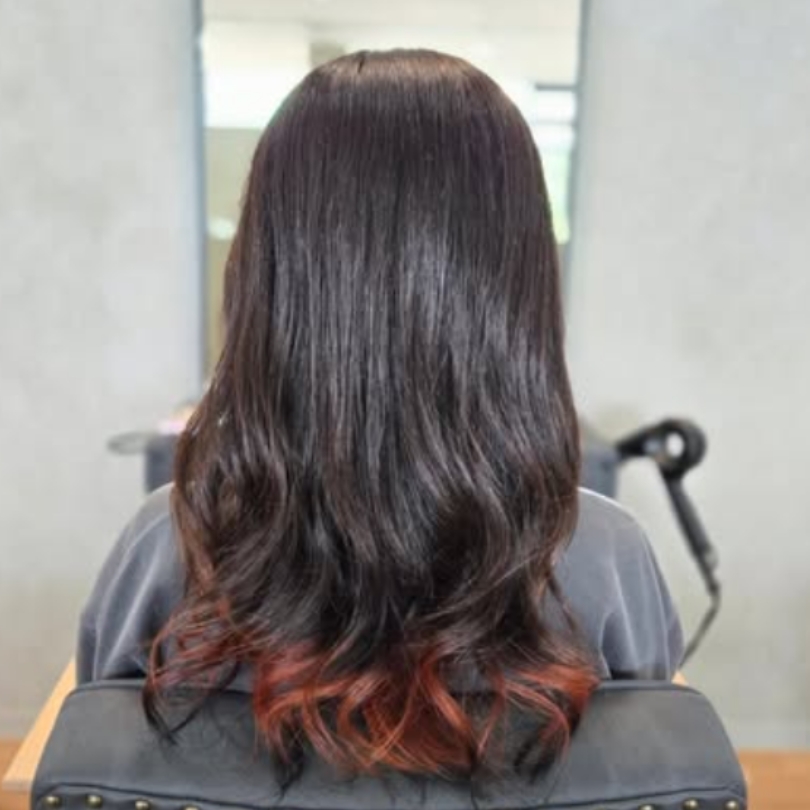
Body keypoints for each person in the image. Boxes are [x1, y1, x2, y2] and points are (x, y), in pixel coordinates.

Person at [77, 50, 683, 779]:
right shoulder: (607, 559)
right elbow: (645, 773)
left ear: (271, 277)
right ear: (516, 286)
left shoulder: (169, 548)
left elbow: (106, 766)